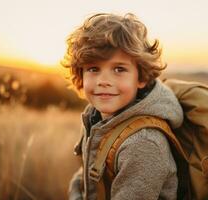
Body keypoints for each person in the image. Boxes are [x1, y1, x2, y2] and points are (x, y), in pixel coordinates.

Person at [62, 13, 183, 200]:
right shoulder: (97, 118)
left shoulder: (143, 144)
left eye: (119, 69)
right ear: (81, 75)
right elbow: (89, 172)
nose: (104, 81)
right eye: (93, 69)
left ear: (141, 77)